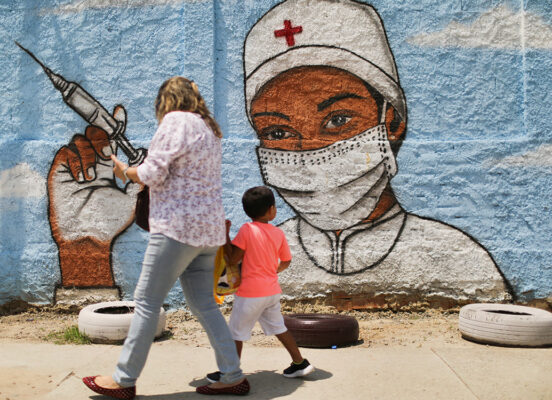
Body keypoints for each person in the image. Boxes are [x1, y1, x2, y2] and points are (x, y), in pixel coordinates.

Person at [243, 0, 514, 305]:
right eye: (278, 133)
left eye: (338, 120)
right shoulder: (270, 254)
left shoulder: (457, 258)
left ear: (392, 122)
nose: (310, 151)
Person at [82, 77, 250, 399]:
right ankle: (232, 375)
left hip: (176, 229)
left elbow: (153, 173)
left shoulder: (175, 121)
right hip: (208, 232)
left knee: (146, 302)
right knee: (204, 305)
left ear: (167, 100)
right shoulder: (209, 129)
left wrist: (126, 172)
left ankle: (123, 380)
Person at [206, 186, 314, 383]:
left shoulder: (247, 229)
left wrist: (225, 235)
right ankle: (300, 363)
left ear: (247, 211)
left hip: (250, 294)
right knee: (279, 327)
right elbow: (286, 261)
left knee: (235, 333)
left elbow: (232, 259)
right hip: (271, 291)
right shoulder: (278, 233)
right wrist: (273, 271)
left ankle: (230, 372)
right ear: (272, 209)